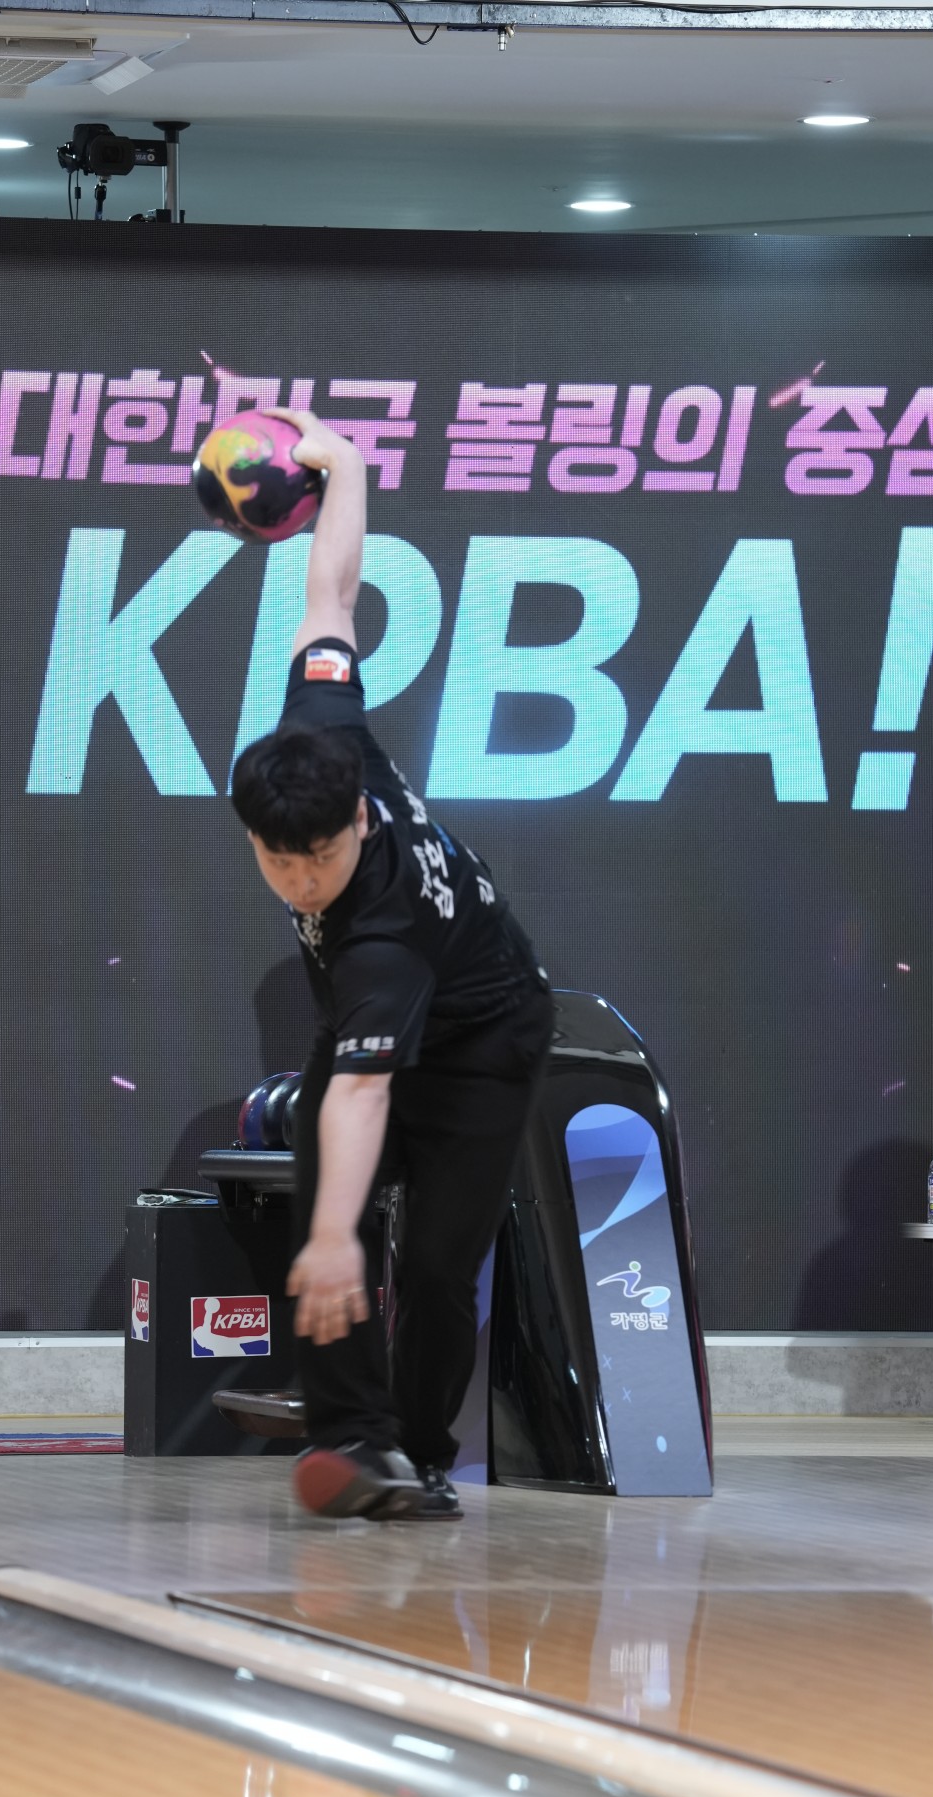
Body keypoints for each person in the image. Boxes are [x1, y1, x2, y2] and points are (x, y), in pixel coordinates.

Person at [230, 409, 553, 1521]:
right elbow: (331, 596)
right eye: (278, 861)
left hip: (483, 1031)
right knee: (329, 1200)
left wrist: (335, 1238)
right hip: (380, 1029)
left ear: (359, 820)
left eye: (318, 859)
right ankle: (353, 1443)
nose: (299, 882)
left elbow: (366, 1088)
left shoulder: (381, 934)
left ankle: (415, 1453)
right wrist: (349, 468)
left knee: (434, 1265)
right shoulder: (318, 728)